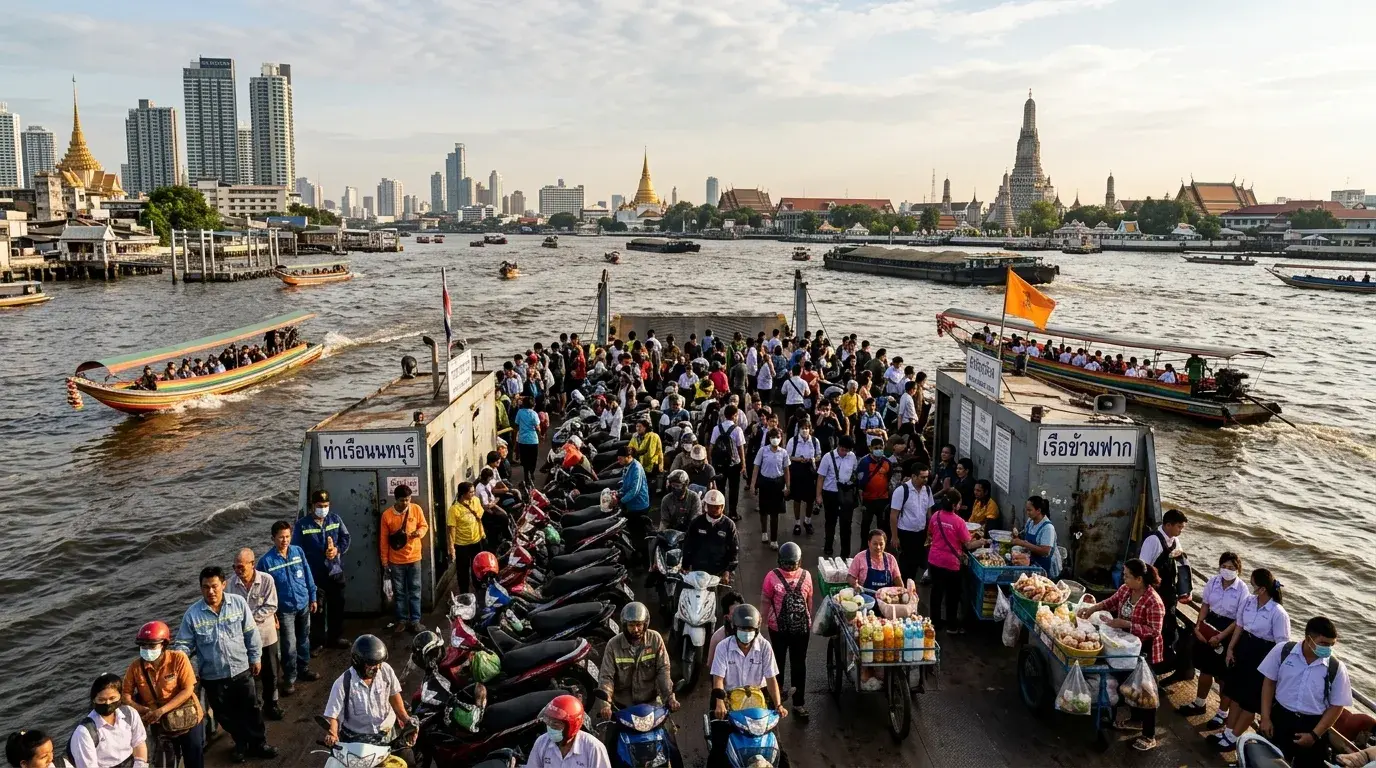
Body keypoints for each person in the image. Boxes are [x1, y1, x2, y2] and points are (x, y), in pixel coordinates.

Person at [171, 567, 276, 762]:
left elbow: (251, 632)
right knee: (224, 714)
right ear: (201, 588)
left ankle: (259, 743)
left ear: (223, 584)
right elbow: (183, 644)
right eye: (205, 587)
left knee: (251, 709)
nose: (210, 591)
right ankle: (240, 743)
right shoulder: (192, 615)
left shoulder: (238, 603)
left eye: (214, 586)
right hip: (213, 676)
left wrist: (255, 657)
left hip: (241, 669)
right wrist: (180, 663)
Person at [1077, 559, 1165, 752]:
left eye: (1126, 575)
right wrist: (1092, 608)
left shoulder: (1153, 602)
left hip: (1144, 650)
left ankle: (1149, 735)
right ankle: (1135, 719)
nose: (1123, 578)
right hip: (1124, 647)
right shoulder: (1126, 590)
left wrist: (1127, 625)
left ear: (1139, 579)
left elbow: (1155, 631)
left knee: (1145, 691)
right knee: (1127, 684)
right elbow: (1111, 602)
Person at [1258, 617, 1352, 768]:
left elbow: (1337, 706)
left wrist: (1314, 735)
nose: (1328, 649)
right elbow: (1269, 683)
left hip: (1313, 724)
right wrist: (1265, 718)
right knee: (1267, 761)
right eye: (1324, 644)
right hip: (1280, 717)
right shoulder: (1283, 651)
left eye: (1331, 645)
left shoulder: (1336, 668)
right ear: (1308, 639)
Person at [1213, 568, 1291, 753]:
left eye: (1254, 584)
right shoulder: (1249, 601)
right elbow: (1239, 626)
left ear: (1262, 589)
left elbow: (1282, 645)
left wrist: (1273, 671)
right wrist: (1230, 649)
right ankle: (1228, 731)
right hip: (1244, 649)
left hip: (1262, 656)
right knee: (1235, 694)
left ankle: (1234, 737)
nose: (1251, 587)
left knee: (1249, 701)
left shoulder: (1278, 613)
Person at [595, 603, 680, 767]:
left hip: (651, 706)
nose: (635, 629)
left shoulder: (655, 639)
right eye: (631, 625)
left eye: (639, 625)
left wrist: (670, 697)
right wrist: (605, 705)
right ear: (624, 625)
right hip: (622, 708)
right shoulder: (613, 645)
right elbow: (606, 677)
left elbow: (663, 670)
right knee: (609, 748)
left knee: (671, 744)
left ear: (645, 624)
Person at [708, 604, 787, 763]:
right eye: (742, 629)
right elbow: (718, 679)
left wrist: (778, 705)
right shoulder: (723, 647)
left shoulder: (764, 646)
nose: (746, 633)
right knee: (718, 750)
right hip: (727, 699)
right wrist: (720, 703)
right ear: (734, 628)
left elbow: (771, 679)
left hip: (758, 702)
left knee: (778, 751)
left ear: (756, 630)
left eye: (750, 629)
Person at [122, 621, 204, 768]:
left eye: (152, 646)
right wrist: (143, 710)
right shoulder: (135, 668)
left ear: (164, 645)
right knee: (165, 762)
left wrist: (161, 711)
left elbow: (187, 690)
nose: (147, 650)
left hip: (188, 718)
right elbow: (125, 695)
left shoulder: (178, 659)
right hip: (159, 724)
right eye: (143, 646)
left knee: (194, 758)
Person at [321, 635, 413, 767]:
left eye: (379, 663)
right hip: (357, 743)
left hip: (387, 736)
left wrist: (406, 719)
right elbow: (333, 715)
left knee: (408, 760)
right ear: (359, 663)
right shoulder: (342, 683)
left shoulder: (385, 670)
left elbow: (394, 696)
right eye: (372, 665)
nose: (378, 668)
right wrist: (333, 733)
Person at [1180, 553, 1249, 724]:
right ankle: (1199, 703)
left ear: (1238, 570)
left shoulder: (1242, 590)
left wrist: (1221, 636)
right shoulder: (1213, 582)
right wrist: (1199, 625)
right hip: (1210, 622)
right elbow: (1205, 605)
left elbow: (1239, 619)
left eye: (1231, 567)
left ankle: (1222, 713)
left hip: (1229, 629)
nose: (1227, 570)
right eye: (1224, 566)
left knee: (1223, 675)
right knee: (1206, 668)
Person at [257, 521, 318, 692]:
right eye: (281, 537)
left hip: (303, 603)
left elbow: (307, 574)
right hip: (284, 610)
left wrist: (313, 597)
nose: (285, 540)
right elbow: (263, 592)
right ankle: (290, 677)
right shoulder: (266, 562)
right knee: (289, 644)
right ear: (273, 538)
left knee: (304, 639)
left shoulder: (298, 552)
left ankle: (304, 669)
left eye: (287, 536)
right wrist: (272, 615)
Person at [760, 542, 813, 720]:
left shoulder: (772, 576)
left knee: (781, 665)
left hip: (781, 630)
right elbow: (809, 602)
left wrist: (762, 622)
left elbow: (765, 600)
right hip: (797, 630)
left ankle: (782, 702)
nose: (789, 568)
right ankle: (793, 703)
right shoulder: (806, 576)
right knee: (793, 665)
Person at [229, 548, 284, 721]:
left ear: (252, 564)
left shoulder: (266, 580)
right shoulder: (230, 584)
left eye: (241, 567)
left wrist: (249, 621)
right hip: (243, 640)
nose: (238, 571)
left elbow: (271, 605)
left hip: (266, 636)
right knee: (248, 675)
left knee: (271, 672)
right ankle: (254, 706)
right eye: (235, 567)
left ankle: (272, 703)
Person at [293, 490, 351, 652]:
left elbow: (346, 538)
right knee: (317, 610)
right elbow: (296, 550)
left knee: (337, 607)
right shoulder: (302, 525)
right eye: (320, 506)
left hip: (335, 572)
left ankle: (335, 638)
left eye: (326, 505)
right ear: (312, 506)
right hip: (314, 575)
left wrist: (337, 550)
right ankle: (317, 642)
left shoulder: (335, 519)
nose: (323, 509)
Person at [927, 489, 984, 633]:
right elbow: (968, 544)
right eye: (959, 503)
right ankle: (952, 626)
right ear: (955, 505)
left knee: (936, 592)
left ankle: (935, 623)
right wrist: (982, 541)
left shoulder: (935, 516)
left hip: (934, 559)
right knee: (952, 595)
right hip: (951, 563)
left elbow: (931, 533)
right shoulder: (959, 522)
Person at [1139, 508, 1187, 669]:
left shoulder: (1175, 541)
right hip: (1154, 592)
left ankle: (1163, 660)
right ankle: (1147, 659)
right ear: (1168, 525)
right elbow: (1143, 568)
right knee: (1151, 626)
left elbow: (1181, 565)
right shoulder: (1153, 540)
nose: (1180, 530)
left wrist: (1185, 590)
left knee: (1168, 626)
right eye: (1179, 527)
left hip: (1169, 592)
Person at [68, 674, 149, 768]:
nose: (107, 703)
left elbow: (139, 743)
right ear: (94, 700)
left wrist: (139, 765)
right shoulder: (84, 732)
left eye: (112, 698)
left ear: (120, 696)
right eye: (101, 700)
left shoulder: (130, 713)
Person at [379, 485, 430, 634]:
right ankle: (402, 620)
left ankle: (415, 621)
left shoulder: (416, 509)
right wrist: (384, 561)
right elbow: (383, 540)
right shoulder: (387, 516)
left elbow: (424, 525)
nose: (405, 503)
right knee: (399, 592)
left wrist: (419, 533)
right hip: (396, 561)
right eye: (402, 500)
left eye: (408, 499)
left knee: (415, 591)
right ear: (396, 499)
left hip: (414, 558)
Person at [526, 694, 610, 768]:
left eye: (556, 723)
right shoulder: (542, 742)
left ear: (572, 726)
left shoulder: (593, 748)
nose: (550, 727)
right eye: (548, 722)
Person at [682, 489, 738, 584]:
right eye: (710, 506)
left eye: (716, 507)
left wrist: (728, 571)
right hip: (698, 571)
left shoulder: (729, 525)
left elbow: (734, 551)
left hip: (719, 572)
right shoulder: (696, 522)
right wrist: (685, 566)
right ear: (706, 505)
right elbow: (688, 545)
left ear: (722, 507)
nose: (713, 509)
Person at [889, 463, 933, 583]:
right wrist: (895, 537)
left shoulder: (927, 490)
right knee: (906, 564)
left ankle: (911, 585)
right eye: (922, 477)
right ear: (913, 476)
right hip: (906, 533)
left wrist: (929, 533)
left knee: (917, 563)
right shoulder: (901, 491)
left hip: (921, 533)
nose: (925, 480)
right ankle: (902, 586)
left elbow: (929, 514)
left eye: (926, 477)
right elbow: (893, 515)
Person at [815, 436, 858, 557]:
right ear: (838, 446)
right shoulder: (828, 457)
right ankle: (828, 547)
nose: (844, 453)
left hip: (846, 492)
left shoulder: (852, 457)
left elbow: (854, 472)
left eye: (847, 451)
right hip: (831, 493)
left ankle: (845, 552)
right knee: (830, 521)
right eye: (843, 450)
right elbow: (821, 477)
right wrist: (818, 496)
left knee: (846, 524)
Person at [749, 427, 790, 549]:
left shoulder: (784, 453)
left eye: (777, 437)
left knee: (775, 513)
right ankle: (764, 532)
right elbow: (756, 468)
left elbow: (786, 470)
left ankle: (774, 539)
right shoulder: (763, 451)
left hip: (778, 484)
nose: (775, 439)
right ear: (769, 438)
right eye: (773, 437)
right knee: (763, 510)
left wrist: (788, 486)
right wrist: (752, 484)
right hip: (765, 483)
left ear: (781, 438)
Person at [447, 481, 486, 596]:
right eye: (471, 492)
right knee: (463, 570)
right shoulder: (454, 509)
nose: (473, 493)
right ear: (463, 494)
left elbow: (480, 513)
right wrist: (452, 548)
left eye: (473, 491)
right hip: (462, 545)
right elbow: (451, 529)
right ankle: (464, 592)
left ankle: (478, 586)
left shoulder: (476, 501)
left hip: (477, 540)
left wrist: (475, 513)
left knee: (477, 566)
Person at [710, 405, 747, 521]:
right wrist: (743, 464)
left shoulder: (717, 428)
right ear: (735, 416)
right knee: (733, 488)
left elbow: (711, 446)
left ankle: (720, 511)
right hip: (734, 464)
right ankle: (733, 513)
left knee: (720, 488)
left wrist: (711, 461)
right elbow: (740, 448)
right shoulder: (737, 430)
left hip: (719, 464)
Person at [615, 446, 651, 565]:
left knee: (640, 534)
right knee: (633, 532)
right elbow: (626, 486)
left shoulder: (636, 468)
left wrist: (621, 500)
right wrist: (618, 493)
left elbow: (634, 490)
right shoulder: (626, 467)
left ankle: (646, 560)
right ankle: (637, 552)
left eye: (620, 458)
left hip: (639, 506)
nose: (618, 461)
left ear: (628, 457)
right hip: (631, 505)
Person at [1011, 496, 1061, 580]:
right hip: (1032, 560)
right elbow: (1024, 535)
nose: (1027, 513)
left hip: (1044, 566)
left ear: (1038, 511)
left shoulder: (1048, 528)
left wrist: (1024, 543)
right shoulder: (1030, 521)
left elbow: (1045, 552)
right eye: (1027, 510)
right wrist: (1016, 534)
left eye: (1029, 510)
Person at [785, 420, 820, 537]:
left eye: (807, 428)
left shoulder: (814, 441)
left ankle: (807, 521)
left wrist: (812, 459)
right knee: (797, 499)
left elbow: (819, 455)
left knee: (810, 499)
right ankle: (797, 523)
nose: (804, 430)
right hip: (797, 471)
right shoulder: (793, 441)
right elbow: (787, 456)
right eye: (802, 428)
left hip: (810, 472)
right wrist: (799, 459)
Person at [855, 439, 894, 536]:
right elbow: (860, 484)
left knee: (883, 526)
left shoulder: (887, 462)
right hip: (868, 500)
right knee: (865, 525)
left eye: (881, 448)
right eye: (876, 448)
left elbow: (889, 478)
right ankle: (864, 544)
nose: (879, 450)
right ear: (871, 448)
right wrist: (862, 503)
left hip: (883, 499)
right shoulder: (864, 462)